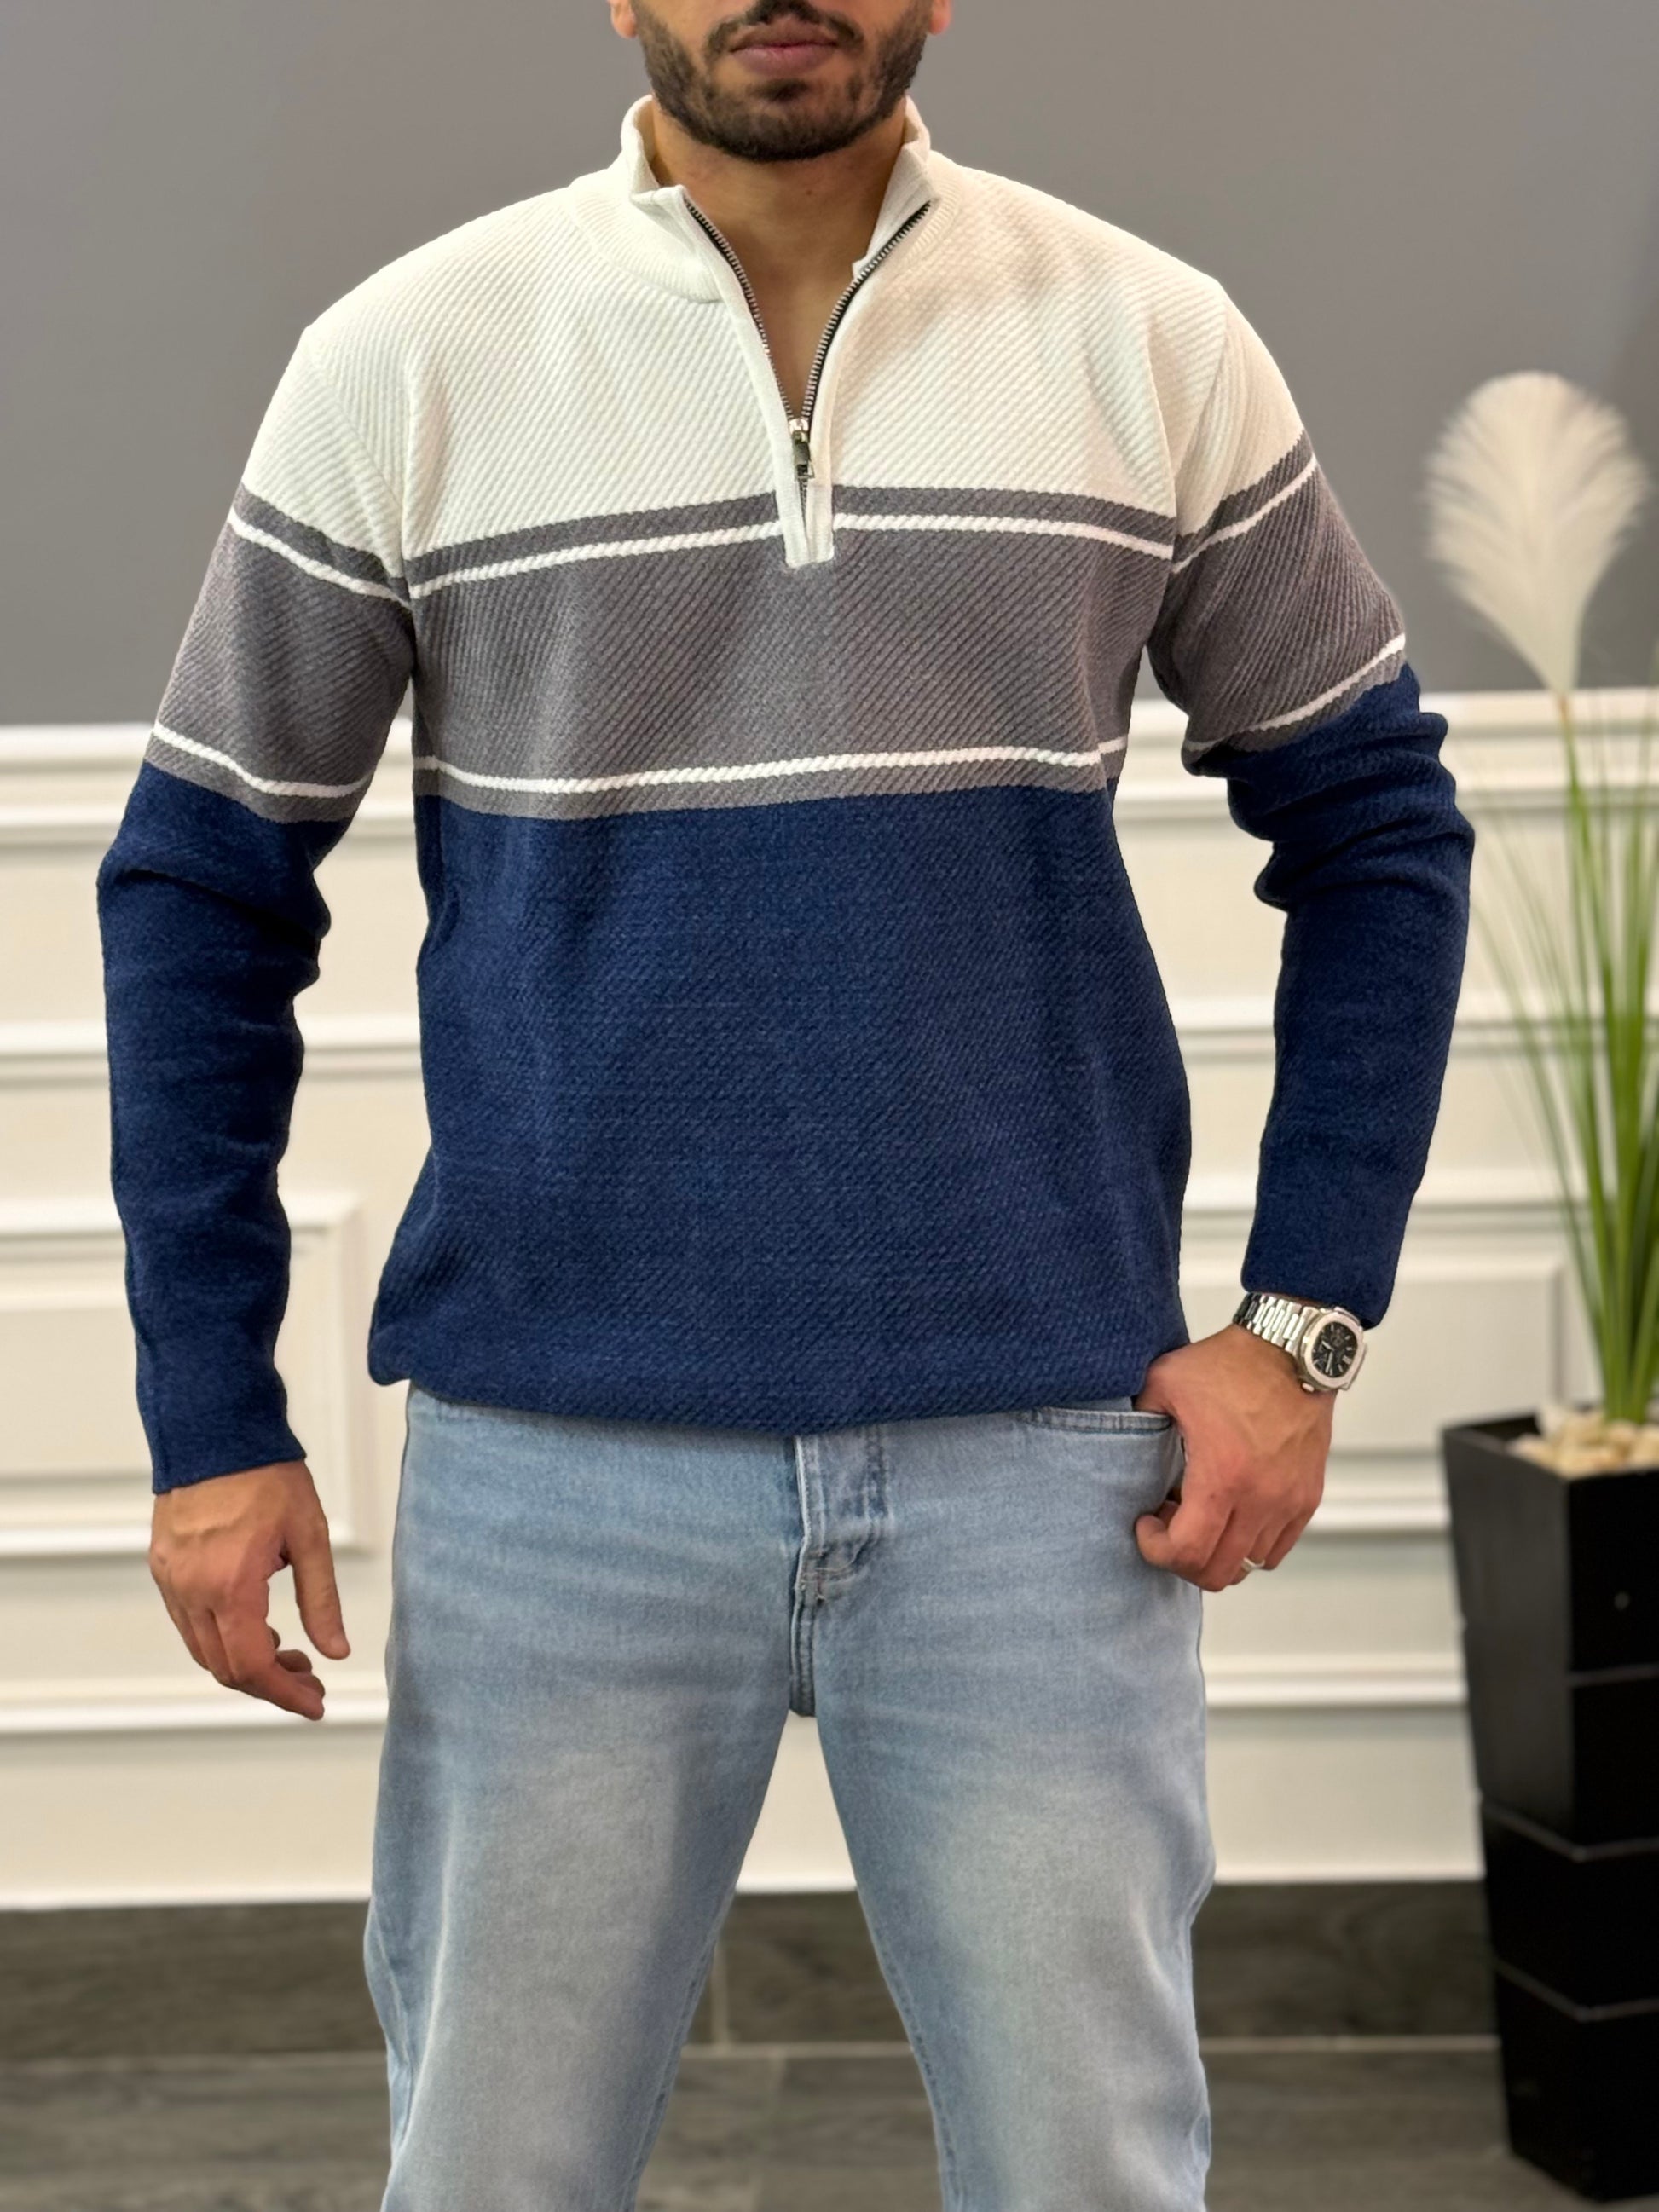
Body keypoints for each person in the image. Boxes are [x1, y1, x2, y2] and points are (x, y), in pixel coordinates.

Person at [95, 2, 1475, 2204]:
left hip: (1043, 1468)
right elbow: (199, 885)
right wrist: (208, 1413)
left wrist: (1303, 1321)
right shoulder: (413, 357)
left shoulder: (1146, 338)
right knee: (496, 2176)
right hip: (556, 1470)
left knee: (1092, 2176)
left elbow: (1377, 824)